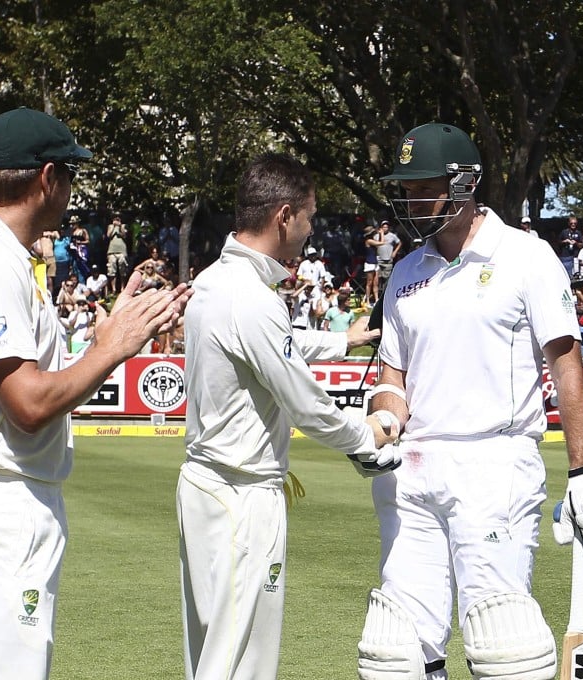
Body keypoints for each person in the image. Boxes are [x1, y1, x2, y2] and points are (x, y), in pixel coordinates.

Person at [0, 107, 191, 680]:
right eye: (69, 174)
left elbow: (31, 380)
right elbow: (28, 404)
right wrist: (112, 347)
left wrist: (105, 333)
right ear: (47, 179)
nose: (71, 189)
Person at [364, 122, 583, 679]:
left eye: (420, 187)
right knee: (396, 652)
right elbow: (393, 379)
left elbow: (566, 368)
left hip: (494, 466)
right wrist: (381, 425)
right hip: (411, 475)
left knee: (503, 649)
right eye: (404, 188)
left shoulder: (526, 257)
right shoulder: (405, 271)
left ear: (462, 184)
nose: (409, 199)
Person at [178, 152, 398, 680]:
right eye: (309, 217)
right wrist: (365, 437)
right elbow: (305, 402)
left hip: (209, 489)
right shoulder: (250, 297)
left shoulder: (217, 280)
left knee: (212, 655)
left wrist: (342, 339)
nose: (310, 230)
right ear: (284, 216)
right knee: (241, 662)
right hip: (242, 496)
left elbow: (272, 345)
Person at [106, 215, 130, 296]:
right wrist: (113, 227)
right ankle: (114, 289)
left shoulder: (124, 226)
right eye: (115, 218)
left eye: (118, 218)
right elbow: (108, 235)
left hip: (122, 251)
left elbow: (124, 235)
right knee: (112, 270)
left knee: (122, 269)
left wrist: (120, 227)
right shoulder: (110, 226)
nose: (116, 219)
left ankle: (123, 287)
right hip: (112, 251)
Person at [376, 219, 403, 287]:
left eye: (386, 227)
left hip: (388, 259)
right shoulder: (376, 235)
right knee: (377, 278)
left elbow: (399, 243)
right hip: (378, 259)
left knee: (386, 278)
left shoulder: (392, 235)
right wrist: (380, 234)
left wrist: (395, 252)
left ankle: (384, 292)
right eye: (384, 227)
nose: (385, 228)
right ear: (381, 228)